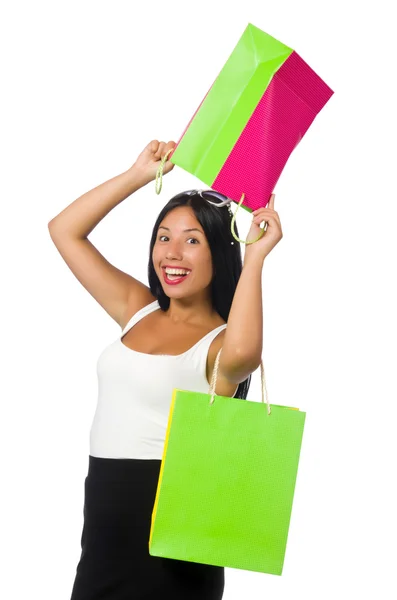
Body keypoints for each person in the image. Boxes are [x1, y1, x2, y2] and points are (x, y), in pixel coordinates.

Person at [48, 139, 282, 599]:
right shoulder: (138, 308)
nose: (172, 253)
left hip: (172, 539)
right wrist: (140, 174)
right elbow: (63, 230)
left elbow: (246, 353)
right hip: (101, 537)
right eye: (164, 237)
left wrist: (255, 257)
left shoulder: (218, 345)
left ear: (219, 251)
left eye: (192, 240)